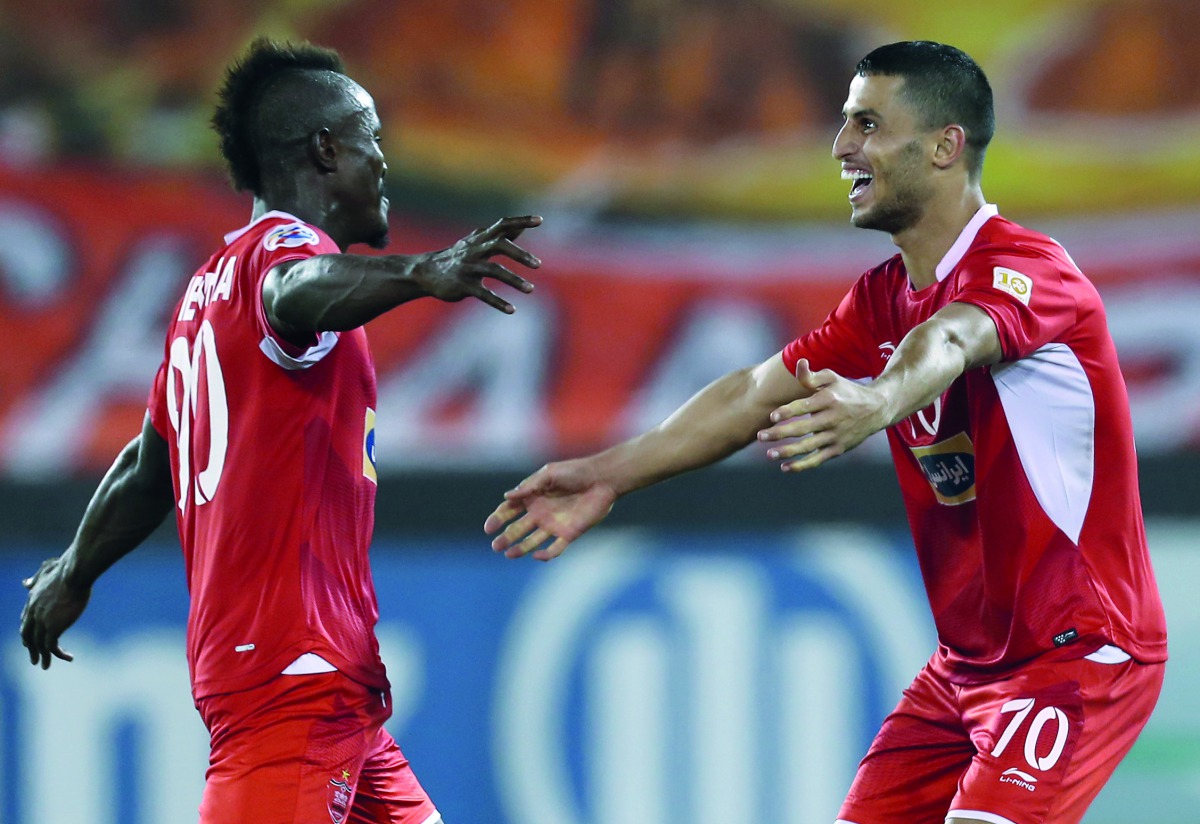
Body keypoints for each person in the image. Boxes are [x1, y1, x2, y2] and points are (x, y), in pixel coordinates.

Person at [485, 40, 1166, 824]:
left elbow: (950, 340)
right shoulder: (879, 298)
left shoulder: (1030, 269)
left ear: (945, 145)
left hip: (1077, 654)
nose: (842, 148)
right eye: (846, 124)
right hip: (967, 669)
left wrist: (880, 402)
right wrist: (610, 474)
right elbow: (749, 393)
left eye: (868, 125)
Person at [19, 37, 541, 824]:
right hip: (289, 684)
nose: (384, 163)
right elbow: (294, 291)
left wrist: (74, 569)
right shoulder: (284, 257)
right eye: (371, 141)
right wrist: (421, 272)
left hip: (331, 696)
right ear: (327, 150)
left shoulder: (202, 294)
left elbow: (147, 467)